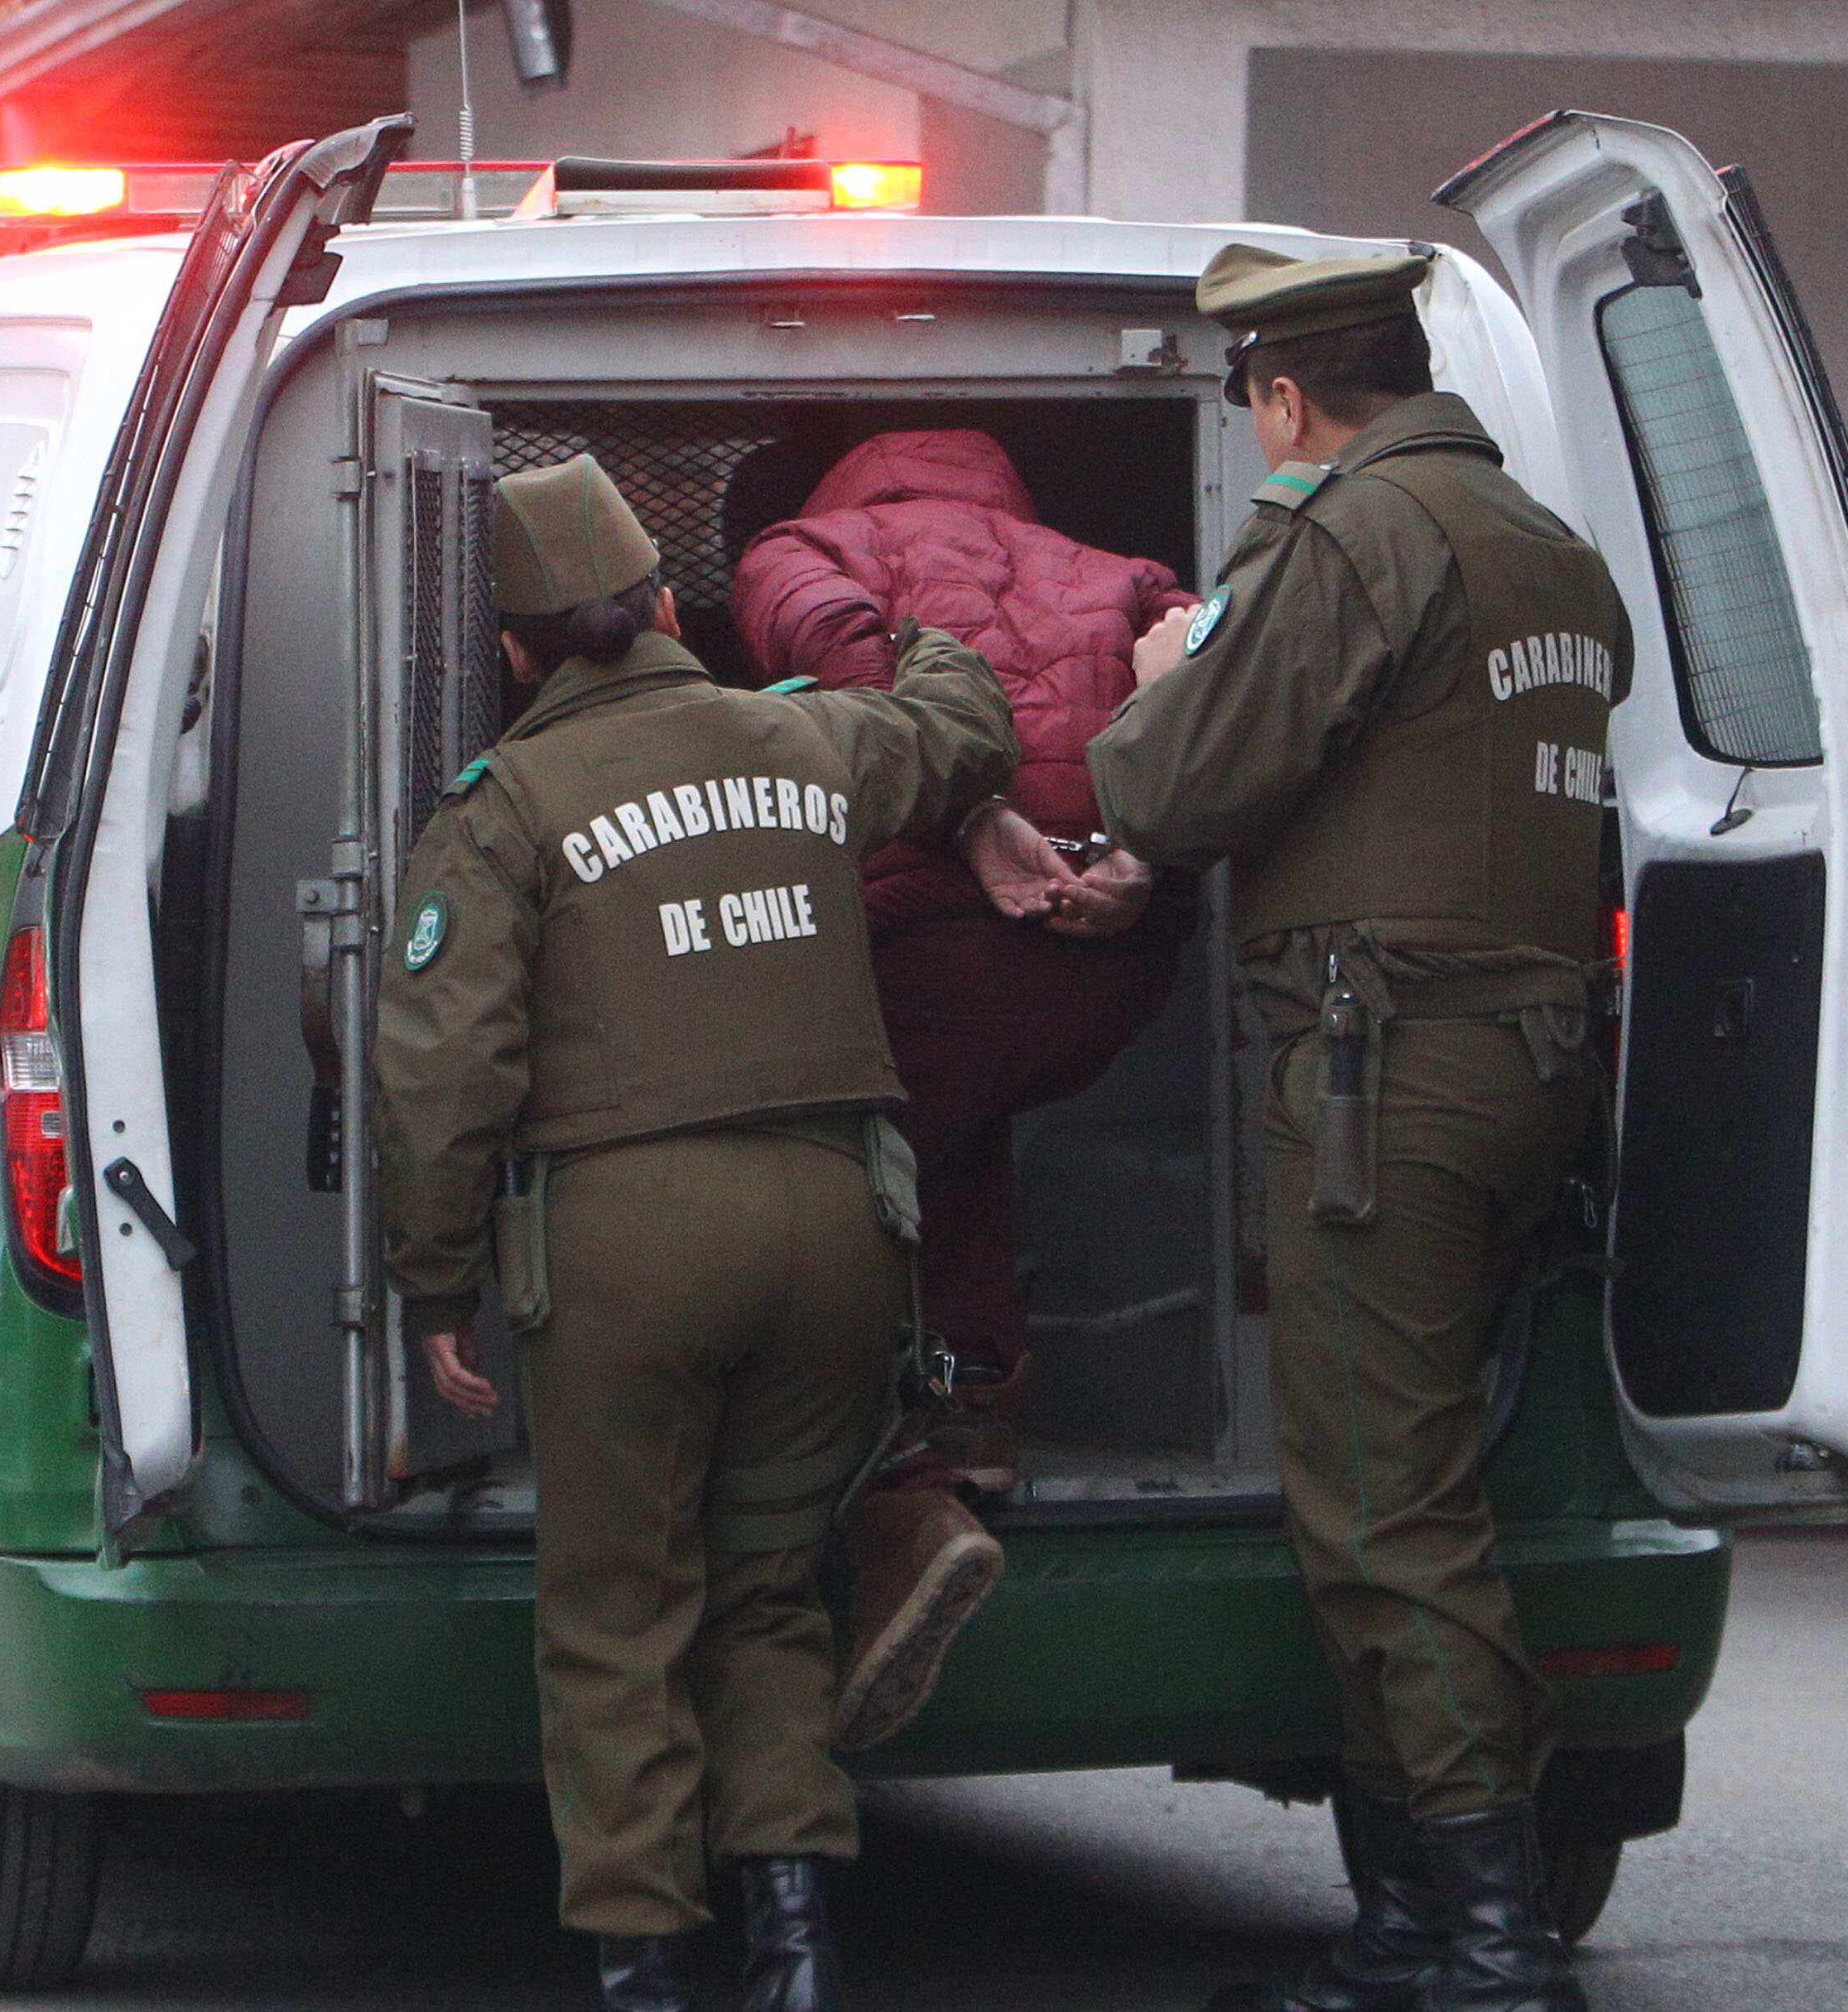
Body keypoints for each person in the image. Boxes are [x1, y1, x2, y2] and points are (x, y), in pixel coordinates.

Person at [376, 453, 1017, 2012]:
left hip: (630, 1245)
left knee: (618, 1613)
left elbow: (447, 1063)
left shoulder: (508, 801)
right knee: (771, 1588)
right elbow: (966, 724)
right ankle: (794, 1947)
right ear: (670, 607)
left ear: (519, 654)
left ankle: (646, 1967)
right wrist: (906, 614)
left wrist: (438, 1274)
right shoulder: (799, 730)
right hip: (842, 1230)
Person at [1087, 244, 1628, 2012]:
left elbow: (1174, 788)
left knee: (1389, 1507)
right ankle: (1408, 1922)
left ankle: (1490, 1932)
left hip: (1387, 1083)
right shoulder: (1545, 548)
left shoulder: (1348, 536)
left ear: (1285, 399)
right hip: (1525, 1069)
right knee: (1414, 1479)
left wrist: (1172, 667)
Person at [731, 426, 1204, 1506]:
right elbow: (1216, 687)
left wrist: (968, 811)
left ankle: (898, 1433)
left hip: (916, 960)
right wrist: (1146, 843)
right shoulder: (1126, 575)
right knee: (954, 1158)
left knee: (866, 1189)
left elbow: (829, 648)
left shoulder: (805, 548)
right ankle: (971, 1403)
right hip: (1103, 964)